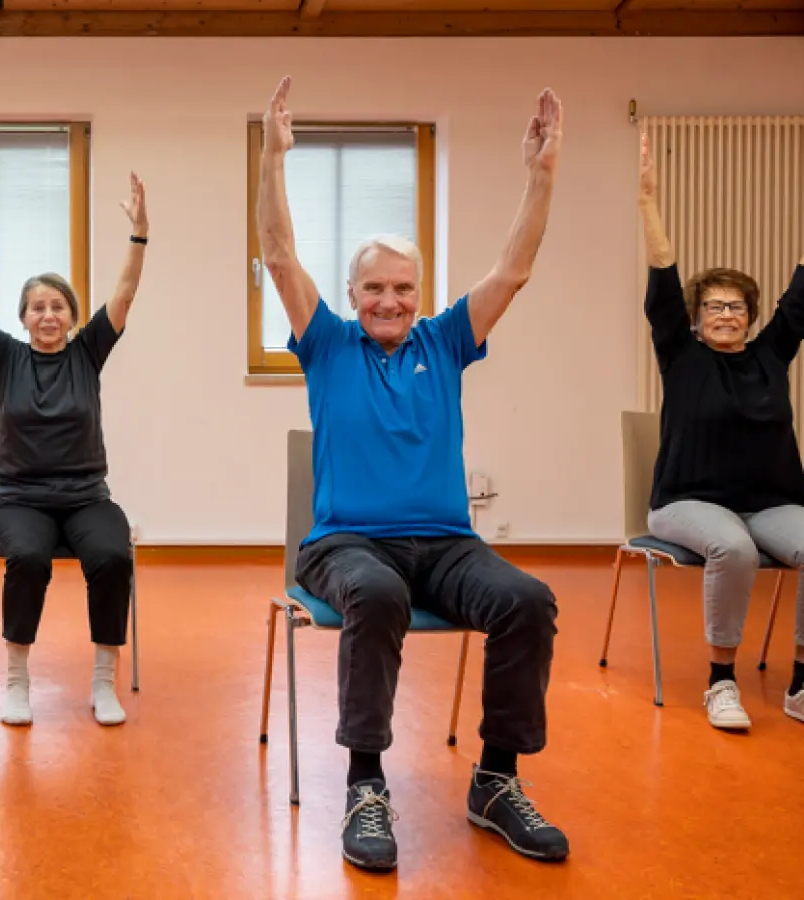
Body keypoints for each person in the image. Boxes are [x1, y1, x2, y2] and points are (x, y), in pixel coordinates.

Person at [257, 75, 570, 870]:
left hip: (447, 546)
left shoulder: (446, 340)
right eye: (374, 288)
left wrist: (541, 175)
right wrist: (272, 158)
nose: (388, 301)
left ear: (420, 294)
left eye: (402, 288)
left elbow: (514, 271)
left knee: (527, 600)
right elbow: (279, 255)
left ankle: (496, 780)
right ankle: (366, 785)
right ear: (353, 293)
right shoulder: (328, 343)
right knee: (377, 592)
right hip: (345, 546)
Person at [639, 134, 804, 736]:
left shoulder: (770, 355)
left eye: (737, 306)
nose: (727, 314)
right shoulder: (680, 354)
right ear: (696, 318)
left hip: (769, 504)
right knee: (731, 548)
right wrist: (648, 201)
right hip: (686, 502)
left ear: (751, 316)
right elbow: (662, 279)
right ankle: (721, 681)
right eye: (714, 306)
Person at [0, 171, 148, 728]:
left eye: (58, 306)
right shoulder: (4, 356)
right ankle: (16, 681)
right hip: (18, 500)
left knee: (113, 555)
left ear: (72, 316)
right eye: (37, 307)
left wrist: (139, 236)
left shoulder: (88, 353)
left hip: (86, 497)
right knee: (28, 559)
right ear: (23, 317)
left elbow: (125, 294)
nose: (48, 315)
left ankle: (103, 681)